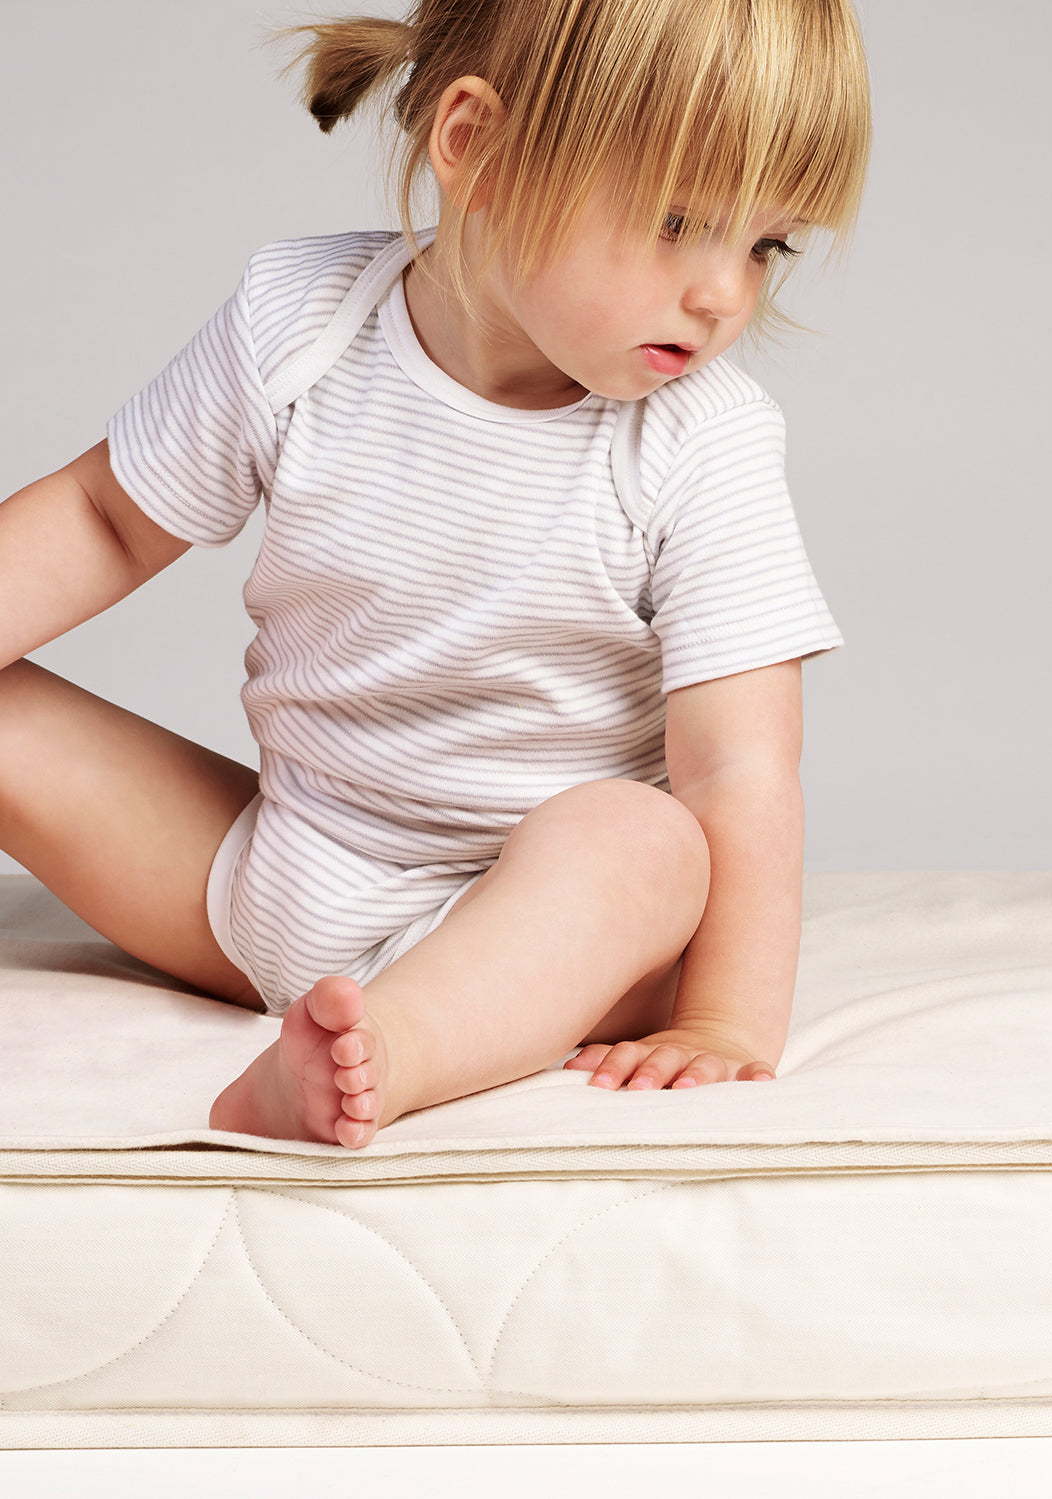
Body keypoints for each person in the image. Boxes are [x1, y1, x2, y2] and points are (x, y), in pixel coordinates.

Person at [0, 0, 870, 1148]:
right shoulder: (301, 323)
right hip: (276, 869)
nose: (723, 296)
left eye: (765, 244)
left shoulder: (699, 442)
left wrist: (722, 1016)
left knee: (644, 839)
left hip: (539, 939)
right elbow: (106, 521)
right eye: (676, 221)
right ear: (475, 149)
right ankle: (340, 1014)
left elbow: (740, 766)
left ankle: (391, 1049)